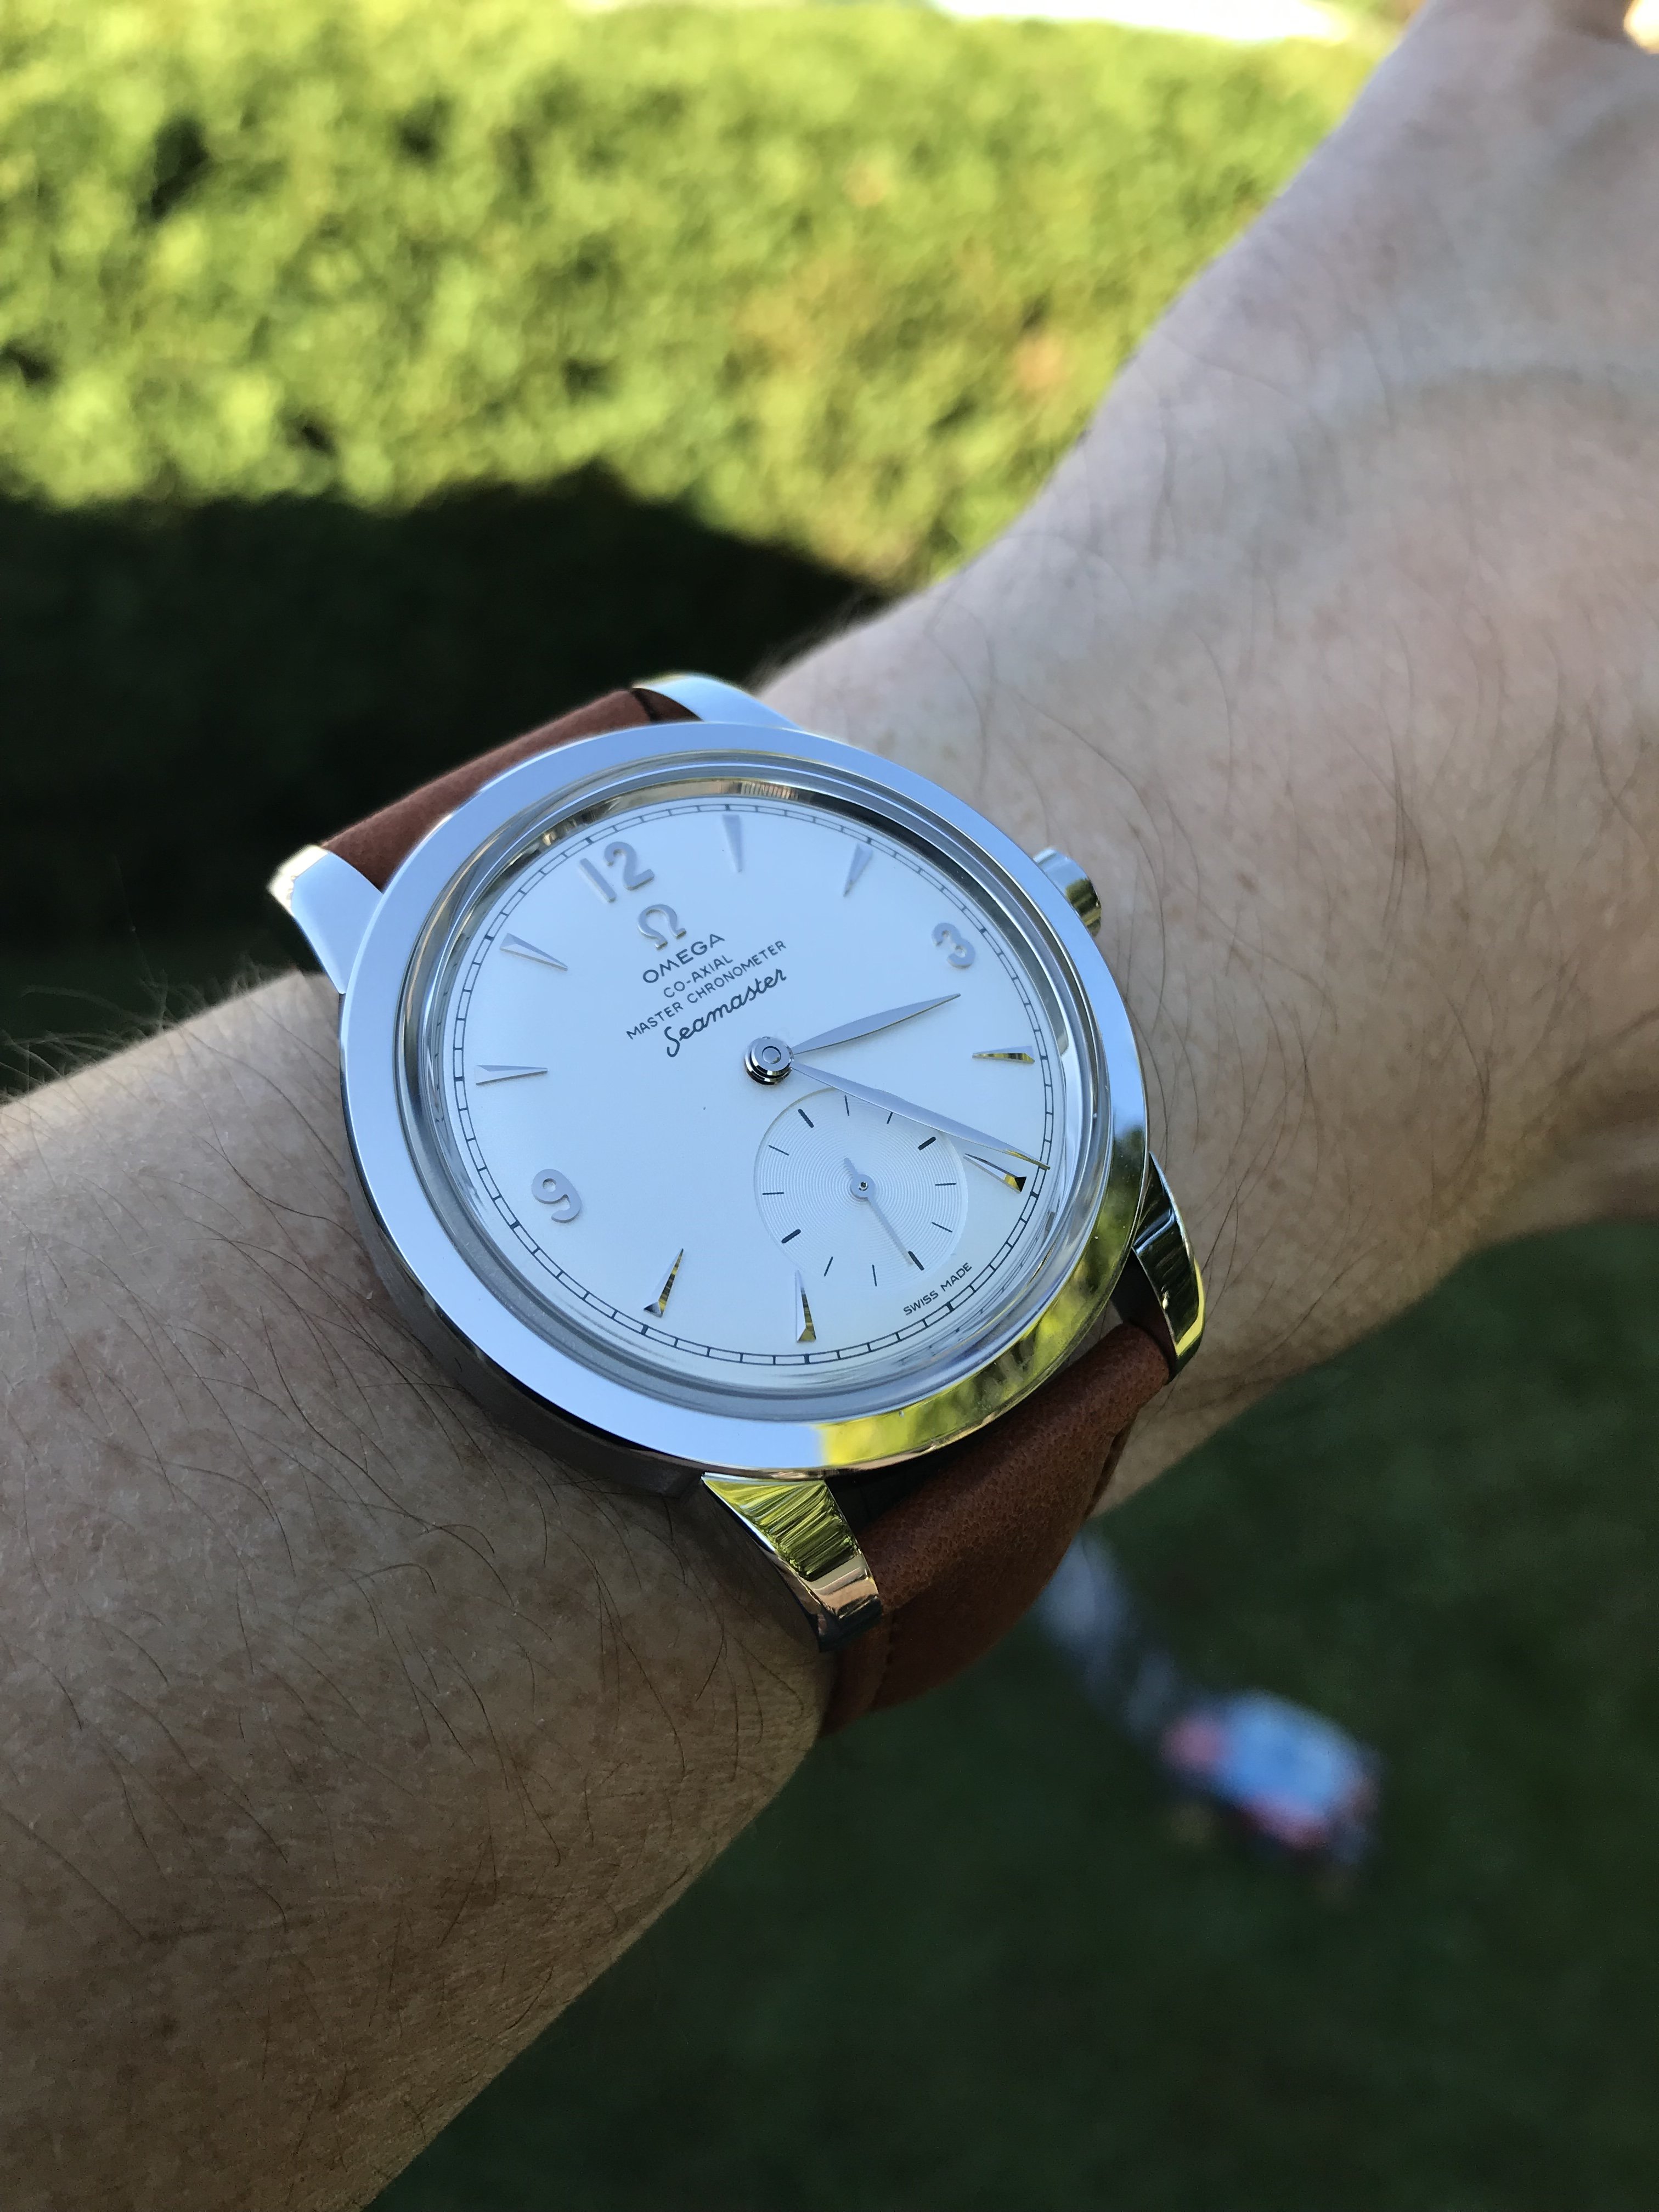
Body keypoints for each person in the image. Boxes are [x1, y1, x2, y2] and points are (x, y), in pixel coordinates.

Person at [2, 0, 1655, 2200]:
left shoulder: (1068, 1152)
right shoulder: (483, 1091)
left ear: (1044, 909)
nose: (765, 1055)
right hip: (771, 1365)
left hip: (955, 1234)